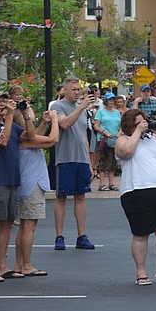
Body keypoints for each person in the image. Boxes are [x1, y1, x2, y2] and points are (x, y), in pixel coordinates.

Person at [114, 109, 156, 286]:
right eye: (138, 122)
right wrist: (136, 132)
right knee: (141, 234)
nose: (143, 125)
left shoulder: (153, 139)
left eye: (145, 122)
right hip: (136, 191)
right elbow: (126, 152)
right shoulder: (123, 140)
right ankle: (141, 272)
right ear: (130, 125)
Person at [0, 91, 35, 282]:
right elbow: (2, 141)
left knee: (8, 223)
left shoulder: (11, 124)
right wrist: (10, 115)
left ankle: (2, 266)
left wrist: (26, 113)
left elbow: (30, 135)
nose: (4, 104)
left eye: (5, 100)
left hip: (12, 179)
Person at [50, 76, 97, 251]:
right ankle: (59, 236)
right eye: (74, 90)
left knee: (81, 197)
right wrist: (81, 108)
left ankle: (81, 235)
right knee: (61, 197)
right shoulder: (58, 106)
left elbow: (84, 136)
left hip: (81, 159)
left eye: (79, 89)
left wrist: (89, 162)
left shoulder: (81, 108)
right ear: (65, 90)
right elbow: (64, 124)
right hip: (65, 157)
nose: (77, 93)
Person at [16, 109, 59, 277]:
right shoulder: (24, 138)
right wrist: (55, 121)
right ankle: (26, 264)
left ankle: (20, 264)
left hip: (30, 183)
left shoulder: (25, 136)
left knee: (25, 225)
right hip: (31, 184)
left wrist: (44, 123)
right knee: (29, 226)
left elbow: (35, 136)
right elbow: (51, 140)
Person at [93, 92, 121, 191]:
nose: (111, 101)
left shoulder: (117, 112)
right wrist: (104, 132)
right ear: (105, 101)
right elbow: (96, 126)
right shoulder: (101, 112)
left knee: (113, 162)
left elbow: (120, 126)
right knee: (104, 161)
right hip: (104, 140)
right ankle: (101, 184)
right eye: (109, 99)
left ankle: (111, 183)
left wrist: (119, 133)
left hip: (114, 139)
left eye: (113, 99)